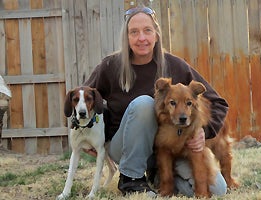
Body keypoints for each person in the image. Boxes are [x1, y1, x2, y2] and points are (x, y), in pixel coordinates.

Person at [83, 5, 228, 197]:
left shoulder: (175, 65)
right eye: (134, 32)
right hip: (124, 147)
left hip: (169, 147)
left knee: (217, 190)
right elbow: (83, 99)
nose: (141, 38)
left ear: (157, 34)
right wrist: (86, 135)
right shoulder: (110, 66)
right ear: (126, 37)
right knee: (144, 104)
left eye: (147, 31)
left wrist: (204, 131)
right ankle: (131, 179)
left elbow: (218, 102)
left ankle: (155, 176)